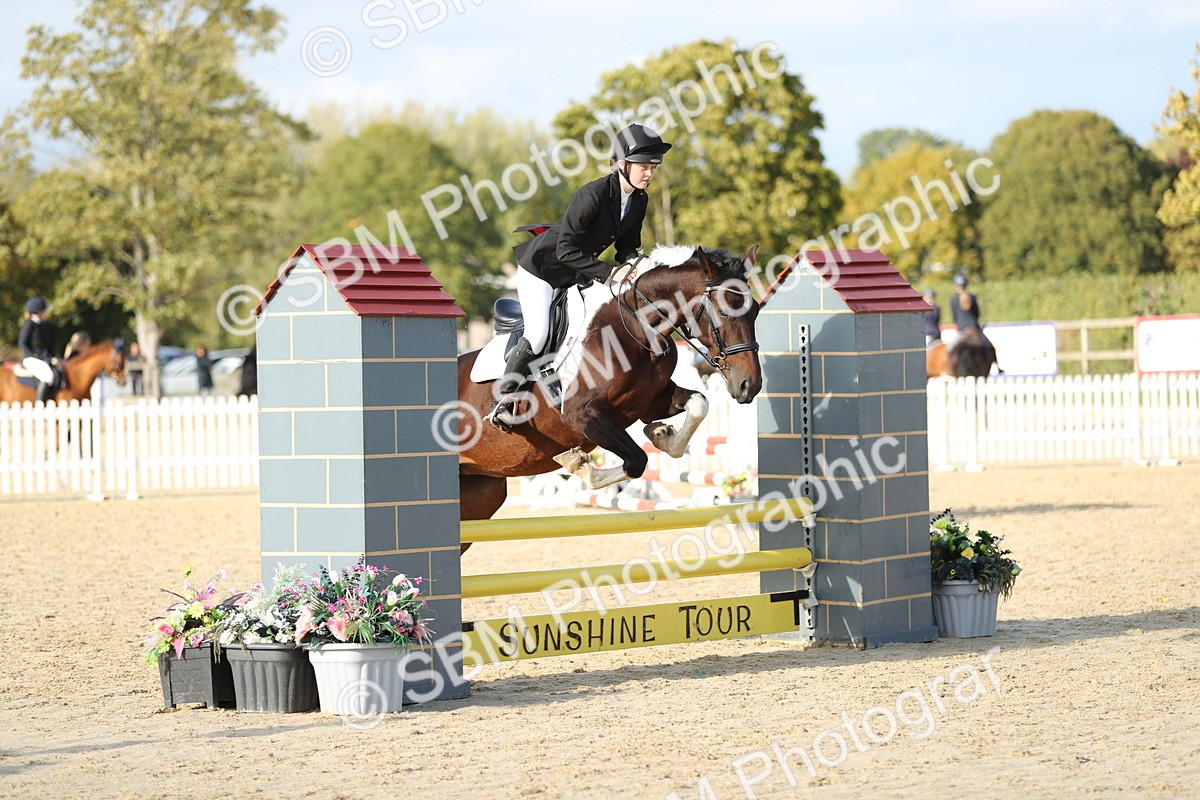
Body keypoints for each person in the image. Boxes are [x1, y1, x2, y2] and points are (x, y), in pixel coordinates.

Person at [484, 123, 672, 430]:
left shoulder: (639, 200)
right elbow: (565, 249)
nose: (649, 173)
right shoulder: (592, 195)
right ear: (621, 164)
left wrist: (637, 266)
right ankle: (503, 399)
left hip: (577, 273)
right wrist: (609, 273)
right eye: (643, 167)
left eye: (653, 167)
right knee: (539, 333)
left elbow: (627, 247)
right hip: (542, 270)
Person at [17, 296, 59, 403]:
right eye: (44, 311)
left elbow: (48, 346)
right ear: (38, 311)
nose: (46, 313)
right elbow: (22, 343)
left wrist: (56, 357)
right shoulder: (29, 324)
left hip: (44, 359)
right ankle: (40, 404)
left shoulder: (42, 325)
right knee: (48, 377)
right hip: (32, 359)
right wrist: (34, 355)